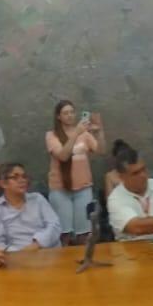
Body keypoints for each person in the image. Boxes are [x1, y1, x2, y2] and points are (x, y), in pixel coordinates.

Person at [44, 100, 103, 245]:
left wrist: (99, 131)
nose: (70, 116)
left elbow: (101, 150)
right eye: (65, 113)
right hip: (60, 189)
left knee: (84, 233)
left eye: (72, 112)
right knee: (64, 234)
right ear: (58, 116)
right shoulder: (51, 135)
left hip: (83, 187)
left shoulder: (85, 134)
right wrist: (76, 133)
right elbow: (63, 156)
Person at [0, 163, 62, 252]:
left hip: (47, 252)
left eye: (24, 176)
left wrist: (37, 244)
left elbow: (54, 226)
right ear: (3, 183)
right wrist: (21, 253)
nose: (22, 180)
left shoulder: (37, 199)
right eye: (15, 177)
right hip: (16, 258)